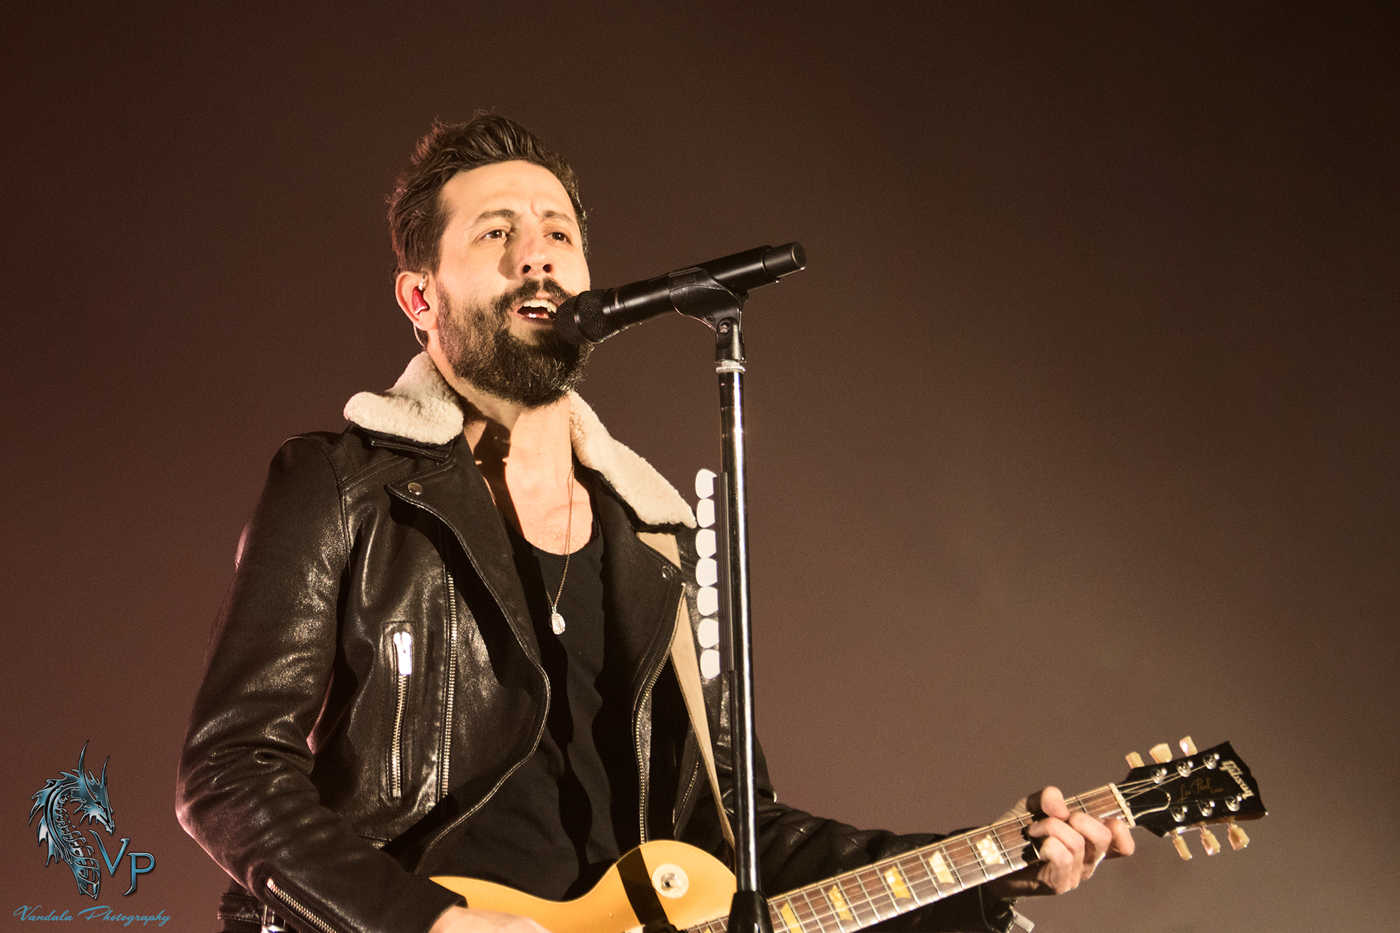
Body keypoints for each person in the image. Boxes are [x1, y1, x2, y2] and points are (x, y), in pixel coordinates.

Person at [176, 114, 1133, 933]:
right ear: (420, 297)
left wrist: (984, 866)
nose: (536, 253)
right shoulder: (343, 484)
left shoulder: (656, 539)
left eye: (557, 232)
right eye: (496, 232)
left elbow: (743, 839)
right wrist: (423, 921)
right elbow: (230, 768)